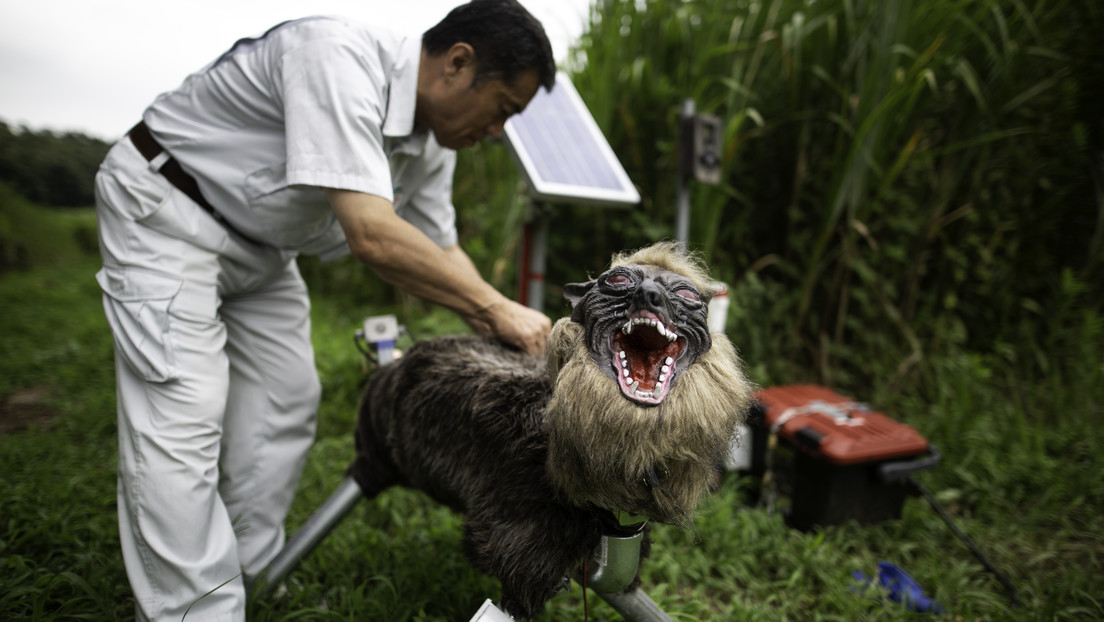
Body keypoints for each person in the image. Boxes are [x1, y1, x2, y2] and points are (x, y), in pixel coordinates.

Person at [92, 1, 555, 619]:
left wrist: (509, 326)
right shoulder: (336, 56)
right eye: (501, 110)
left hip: (263, 248)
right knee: (183, 415)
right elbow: (372, 233)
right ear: (458, 63)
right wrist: (498, 308)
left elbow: (442, 252)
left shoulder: (434, 144)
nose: (497, 132)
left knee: (287, 397)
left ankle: (255, 567)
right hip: (167, 209)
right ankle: (195, 610)